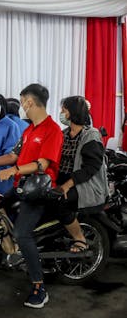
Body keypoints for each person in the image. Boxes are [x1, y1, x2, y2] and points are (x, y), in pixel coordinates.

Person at [0, 83, 63, 309]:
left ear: (29, 102)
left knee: (23, 233)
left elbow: (43, 165)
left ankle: (39, 287)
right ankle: (12, 251)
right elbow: (15, 157)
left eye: (23, 101)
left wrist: (14, 171)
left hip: (38, 191)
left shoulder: (51, 130)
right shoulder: (29, 130)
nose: (22, 105)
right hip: (21, 186)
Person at [55, 96, 106, 253]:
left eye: (64, 110)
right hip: (64, 180)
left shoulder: (90, 135)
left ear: (72, 112)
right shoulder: (64, 134)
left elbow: (90, 168)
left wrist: (67, 185)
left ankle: (80, 239)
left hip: (84, 184)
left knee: (59, 203)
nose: (61, 113)